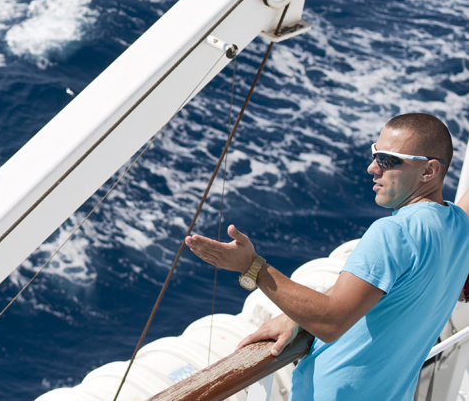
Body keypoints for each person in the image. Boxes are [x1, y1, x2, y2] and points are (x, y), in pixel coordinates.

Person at [185, 113, 469, 401]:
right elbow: (372, 289)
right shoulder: (459, 225)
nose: (372, 168)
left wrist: (251, 267)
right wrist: (295, 317)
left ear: (429, 171)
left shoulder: (393, 233)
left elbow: (331, 322)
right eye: (374, 154)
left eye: (387, 160)